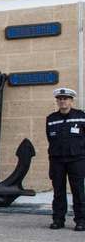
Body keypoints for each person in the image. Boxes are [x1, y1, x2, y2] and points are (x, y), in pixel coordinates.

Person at [46, 87, 85, 231]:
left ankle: (81, 220)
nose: (62, 101)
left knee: (78, 191)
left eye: (65, 99)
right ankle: (58, 219)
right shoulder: (51, 119)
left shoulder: (81, 116)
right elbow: (50, 139)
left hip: (77, 160)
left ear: (71, 101)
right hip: (57, 160)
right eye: (60, 99)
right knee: (58, 191)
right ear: (57, 101)